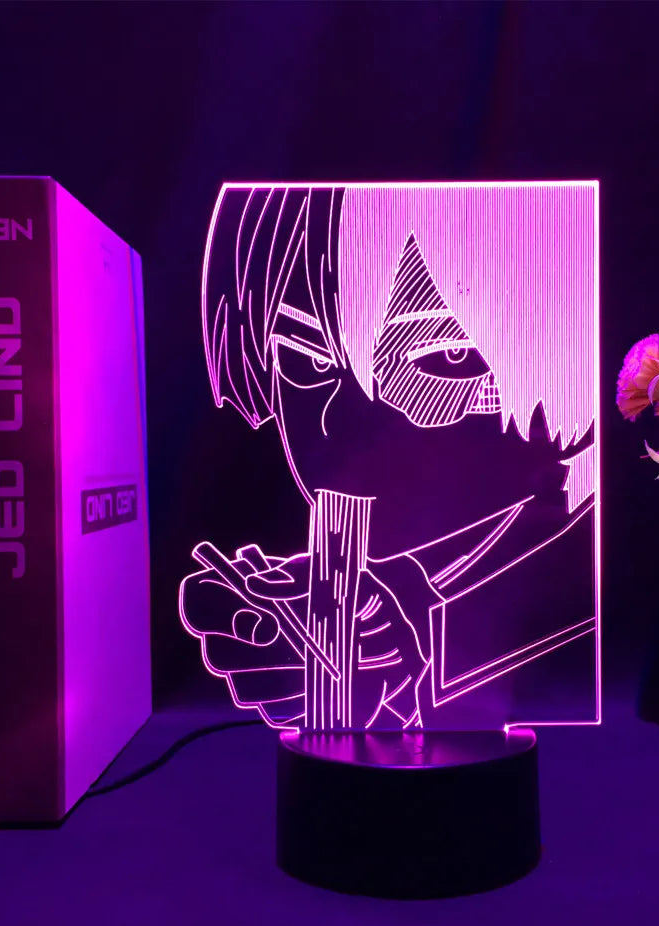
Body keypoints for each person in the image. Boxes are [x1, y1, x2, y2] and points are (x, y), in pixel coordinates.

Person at [180, 184, 597, 730]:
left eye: (448, 356)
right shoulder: (397, 583)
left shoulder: (588, 613)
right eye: (308, 358)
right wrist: (375, 625)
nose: (341, 424)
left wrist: (414, 647)